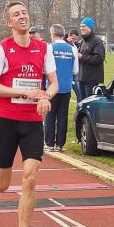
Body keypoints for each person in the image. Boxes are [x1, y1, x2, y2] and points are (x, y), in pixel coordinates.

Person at [0, 1, 58, 227]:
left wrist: (46, 96)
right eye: (16, 14)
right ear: (9, 23)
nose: (22, 16)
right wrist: (23, 92)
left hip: (32, 122)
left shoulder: (43, 48)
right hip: (7, 121)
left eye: (24, 12)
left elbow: (54, 83)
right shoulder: (0, 49)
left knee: (30, 178)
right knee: (1, 187)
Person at [44, 24, 77, 152]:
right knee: (63, 115)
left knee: (50, 115)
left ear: (52, 34)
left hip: (52, 86)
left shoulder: (49, 48)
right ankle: (60, 145)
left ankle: (49, 143)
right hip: (67, 86)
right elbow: (76, 70)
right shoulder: (72, 48)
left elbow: (44, 69)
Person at [77, 17, 106, 99]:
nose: (81, 28)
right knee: (82, 102)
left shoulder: (97, 41)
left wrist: (82, 57)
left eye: (84, 26)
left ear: (90, 27)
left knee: (89, 103)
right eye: (80, 26)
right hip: (81, 78)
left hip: (91, 79)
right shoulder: (82, 42)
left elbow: (99, 58)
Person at [66, 29, 82, 102]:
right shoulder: (64, 45)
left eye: (75, 39)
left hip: (75, 73)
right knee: (66, 95)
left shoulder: (75, 45)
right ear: (68, 36)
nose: (74, 40)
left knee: (80, 94)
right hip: (67, 74)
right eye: (72, 38)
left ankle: (78, 111)